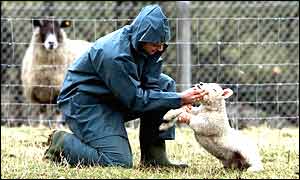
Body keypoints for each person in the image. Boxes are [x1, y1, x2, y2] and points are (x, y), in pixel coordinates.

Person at [43, 4, 207, 168]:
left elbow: (153, 86)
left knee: (165, 85)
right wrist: (178, 99)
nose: (160, 48)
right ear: (142, 37)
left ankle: (155, 158)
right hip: (84, 102)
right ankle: (61, 143)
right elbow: (136, 99)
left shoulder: (147, 47)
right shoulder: (114, 56)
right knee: (118, 161)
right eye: (156, 44)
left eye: (163, 43)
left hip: (110, 95)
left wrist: (173, 100)